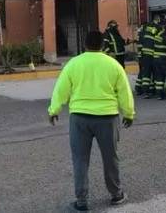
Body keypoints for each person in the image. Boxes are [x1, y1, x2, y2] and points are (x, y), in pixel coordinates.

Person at [48, 31, 135, 211]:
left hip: (80, 118)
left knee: (80, 160)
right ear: (103, 45)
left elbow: (61, 89)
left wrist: (54, 110)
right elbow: (124, 92)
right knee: (110, 158)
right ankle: (116, 194)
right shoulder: (114, 64)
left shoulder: (74, 64)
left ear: (84, 44)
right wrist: (128, 114)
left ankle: (81, 201)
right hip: (108, 118)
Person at [138, 16, 162, 98]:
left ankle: (146, 92)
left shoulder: (146, 27)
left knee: (146, 73)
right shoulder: (158, 27)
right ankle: (156, 91)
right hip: (153, 53)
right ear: (158, 20)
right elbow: (160, 38)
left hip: (145, 53)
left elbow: (141, 39)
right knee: (155, 72)